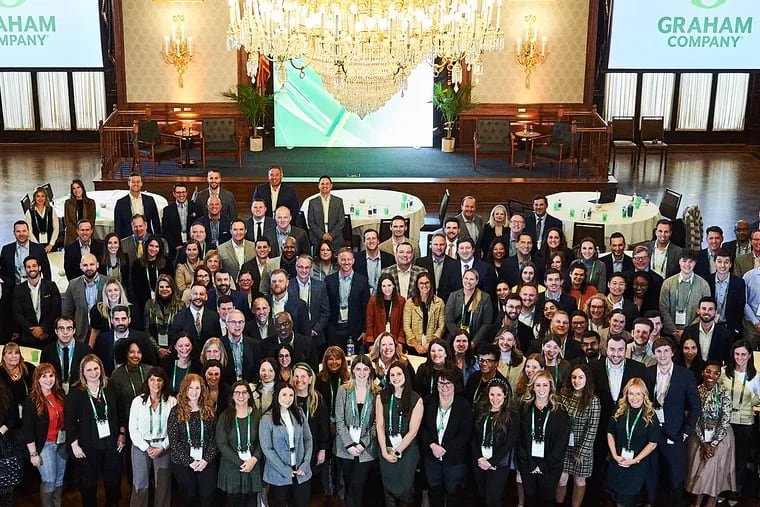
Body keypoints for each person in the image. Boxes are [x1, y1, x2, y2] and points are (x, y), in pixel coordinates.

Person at [644, 337, 702, 507]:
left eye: (666, 351)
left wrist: (686, 432)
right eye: (659, 351)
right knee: (652, 472)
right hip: (651, 432)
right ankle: (652, 502)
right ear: (654, 353)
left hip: (675, 433)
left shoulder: (685, 375)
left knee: (675, 474)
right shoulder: (647, 373)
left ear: (672, 352)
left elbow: (695, 407)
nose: (662, 355)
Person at [64, 354, 126, 507]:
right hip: (87, 445)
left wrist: (122, 434)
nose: (93, 373)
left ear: (101, 369)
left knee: (112, 479)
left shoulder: (110, 387)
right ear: (83, 372)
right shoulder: (76, 393)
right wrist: (74, 444)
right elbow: (69, 421)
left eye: (96, 368)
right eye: (89, 370)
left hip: (111, 443)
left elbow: (121, 412)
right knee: (88, 482)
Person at [417, 368, 472, 507]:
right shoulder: (429, 401)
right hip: (432, 457)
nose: (444, 387)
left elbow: (465, 434)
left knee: (454, 494)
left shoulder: (463, 405)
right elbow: (421, 428)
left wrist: (444, 448)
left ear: (455, 385)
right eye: (440, 383)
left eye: (448, 383)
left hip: (454, 459)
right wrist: (432, 445)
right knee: (435, 493)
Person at [516, 370, 571, 506]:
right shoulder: (524, 409)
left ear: (551, 387)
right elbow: (519, 439)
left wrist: (544, 465)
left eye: (545, 385)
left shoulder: (560, 412)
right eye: (538, 385)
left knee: (547, 499)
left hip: (551, 466)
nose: (541, 389)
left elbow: (561, 443)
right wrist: (531, 463)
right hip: (527, 464)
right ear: (532, 387)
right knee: (530, 497)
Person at [685, 361, 735, 507]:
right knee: (700, 473)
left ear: (719, 375)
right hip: (700, 435)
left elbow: (725, 419)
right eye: (708, 371)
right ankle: (696, 503)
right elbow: (694, 417)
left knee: (714, 473)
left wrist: (712, 444)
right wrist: (704, 443)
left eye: (715, 373)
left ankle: (711, 504)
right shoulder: (696, 390)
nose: (711, 375)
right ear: (702, 372)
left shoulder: (724, 392)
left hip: (720, 437)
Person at [375, 360, 424, 507]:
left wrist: (397, 452)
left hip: (406, 450)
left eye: (399, 374)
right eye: (392, 375)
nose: (395, 377)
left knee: (405, 488)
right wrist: (384, 451)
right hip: (386, 448)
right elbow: (380, 425)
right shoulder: (381, 397)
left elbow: (413, 431)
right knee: (388, 487)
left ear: (406, 376)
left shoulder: (416, 399)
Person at [606, 378, 660, 507]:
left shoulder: (651, 415)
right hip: (618, 461)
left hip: (637, 465)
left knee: (625, 500)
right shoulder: (619, 410)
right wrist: (614, 455)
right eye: (631, 393)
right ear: (626, 394)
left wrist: (634, 460)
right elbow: (610, 433)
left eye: (638, 394)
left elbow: (652, 443)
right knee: (617, 498)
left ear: (644, 395)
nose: (634, 398)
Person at [128, 366, 177, 507]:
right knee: (140, 484)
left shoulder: (172, 402)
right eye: (152, 379)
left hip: (164, 447)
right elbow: (133, 429)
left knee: (162, 485)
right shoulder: (137, 402)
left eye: (159, 380)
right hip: (141, 447)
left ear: (164, 382)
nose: (156, 383)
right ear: (147, 382)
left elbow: (174, 429)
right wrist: (147, 447)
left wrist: (162, 447)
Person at [167, 373, 219, 507]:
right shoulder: (176, 411)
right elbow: (174, 441)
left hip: (206, 461)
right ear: (185, 389)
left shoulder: (209, 409)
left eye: (197, 388)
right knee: (189, 496)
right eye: (190, 388)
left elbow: (215, 438)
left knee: (207, 496)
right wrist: (190, 461)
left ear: (202, 390)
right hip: (183, 462)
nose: (194, 392)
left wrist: (206, 460)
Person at [334, 355, 379, 507]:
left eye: (365, 369)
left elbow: (377, 423)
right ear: (352, 370)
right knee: (348, 485)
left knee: (358, 485)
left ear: (370, 371)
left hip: (365, 449)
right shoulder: (343, 390)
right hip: (345, 447)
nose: (361, 373)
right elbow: (339, 421)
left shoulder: (377, 392)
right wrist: (349, 445)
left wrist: (362, 444)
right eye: (358, 369)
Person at [259, 382, 313, 507]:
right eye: (284, 395)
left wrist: (305, 463)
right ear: (277, 395)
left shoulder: (298, 412)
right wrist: (284, 469)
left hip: (300, 471)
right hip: (278, 473)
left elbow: (308, 438)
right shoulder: (267, 418)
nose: (287, 399)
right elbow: (267, 449)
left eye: (291, 395)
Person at [719, 340, 760, 503]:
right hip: (726, 421)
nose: (740, 357)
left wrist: (750, 401)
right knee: (723, 457)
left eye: (744, 354)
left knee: (740, 458)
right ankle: (721, 489)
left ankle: (735, 492)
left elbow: (759, 398)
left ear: (750, 355)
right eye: (737, 354)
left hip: (745, 421)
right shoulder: (724, 373)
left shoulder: (755, 377)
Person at [22, 363, 67, 507]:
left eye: (51, 375)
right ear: (37, 379)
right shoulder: (31, 401)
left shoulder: (60, 395)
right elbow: (28, 431)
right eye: (44, 376)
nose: (48, 379)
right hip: (44, 446)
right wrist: (33, 454)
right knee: (49, 480)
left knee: (59, 480)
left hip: (61, 444)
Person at [556, 364, 600, 507]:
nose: (577, 380)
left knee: (579, 481)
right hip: (564, 446)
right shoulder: (563, 395)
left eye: (581, 377)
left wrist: (581, 453)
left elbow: (592, 429)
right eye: (574, 377)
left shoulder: (593, 400)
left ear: (587, 379)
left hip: (582, 448)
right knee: (561, 479)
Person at [471, 378, 518, 507]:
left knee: (493, 499)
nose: (495, 399)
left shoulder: (512, 415)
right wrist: (480, 458)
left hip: (498, 464)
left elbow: (509, 443)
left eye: (499, 395)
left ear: (505, 395)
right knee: (481, 496)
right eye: (492, 394)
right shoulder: (480, 411)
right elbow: (473, 437)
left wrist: (491, 462)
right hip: (480, 462)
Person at [216, 380, 263, 507]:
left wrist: (253, 460)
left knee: (251, 502)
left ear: (249, 395)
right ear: (232, 396)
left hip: (252, 467)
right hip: (231, 468)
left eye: (244, 392)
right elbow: (221, 443)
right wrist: (241, 462)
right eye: (237, 393)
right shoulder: (224, 416)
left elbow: (262, 441)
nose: (240, 396)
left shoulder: (257, 415)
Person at [315, 346, 350, 504]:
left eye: (337, 358)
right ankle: (328, 493)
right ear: (325, 361)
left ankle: (342, 495)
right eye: (330, 358)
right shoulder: (319, 379)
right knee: (327, 461)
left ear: (343, 361)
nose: (334, 362)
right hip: (325, 425)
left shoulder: (348, 380)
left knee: (341, 461)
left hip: (344, 426)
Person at [12, 255, 62, 348]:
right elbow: (17, 314)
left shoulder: (51, 286)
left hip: (48, 336)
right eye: (28, 267)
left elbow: (56, 310)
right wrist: (32, 330)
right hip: (28, 338)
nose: (32, 269)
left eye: (34, 266)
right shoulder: (19, 289)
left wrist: (43, 329)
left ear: (39, 267)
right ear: (25, 270)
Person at [444, 268, 493, 347]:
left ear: (477, 281)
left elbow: (486, 323)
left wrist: (474, 342)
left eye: (472, 279)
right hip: (456, 339)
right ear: (462, 279)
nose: (468, 282)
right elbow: (448, 320)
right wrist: (459, 338)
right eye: (466, 278)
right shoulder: (454, 296)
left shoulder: (485, 298)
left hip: (476, 340)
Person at [403, 272, 446, 356]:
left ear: (431, 284)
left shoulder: (439, 302)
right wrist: (416, 345)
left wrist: (430, 343)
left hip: (432, 345)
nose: (424, 286)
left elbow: (441, 326)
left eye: (427, 283)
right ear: (417, 285)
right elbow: (406, 326)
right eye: (421, 283)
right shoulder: (410, 303)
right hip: (413, 346)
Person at [110, 338, 153, 423]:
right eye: (131, 352)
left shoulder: (150, 371)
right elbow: (116, 404)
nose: (135, 355)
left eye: (139, 352)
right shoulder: (117, 375)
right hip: (128, 420)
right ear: (125, 353)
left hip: (149, 418)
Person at [144, 274, 184, 352]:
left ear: (172, 288)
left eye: (167, 286)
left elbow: (181, 331)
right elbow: (147, 330)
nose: (164, 289)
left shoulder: (180, 305)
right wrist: (158, 349)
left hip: (175, 349)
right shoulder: (149, 304)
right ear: (157, 289)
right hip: (154, 349)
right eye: (161, 287)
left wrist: (171, 348)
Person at [161, 182, 204, 254]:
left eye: (183, 192)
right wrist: (175, 245)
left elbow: (201, 226)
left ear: (186, 193)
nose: (181, 195)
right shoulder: (168, 210)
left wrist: (194, 243)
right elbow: (165, 231)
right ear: (174, 194)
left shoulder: (196, 207)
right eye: (178, 192)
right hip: (175, 248)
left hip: (194, 246)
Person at [366, 273, 407, 349]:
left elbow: (403, 323)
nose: (387, 289)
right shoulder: (373, 301)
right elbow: (369, 322)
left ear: (394, 286)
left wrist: (400, 342)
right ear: (380, 287)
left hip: (395, 341)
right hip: (377, 340)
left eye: (389, 285)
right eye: (383, 286)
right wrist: (371, 343)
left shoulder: (401, 301)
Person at [307, 175, 345, 253]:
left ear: (331, 186)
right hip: (317, 238)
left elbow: (341, 221)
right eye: (322, 184)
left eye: (327, 184)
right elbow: (311, 222)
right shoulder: (312, 202)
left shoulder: (338, 201)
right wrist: (322, 235)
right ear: (319, 186)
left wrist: (331, 235)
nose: (325, 186)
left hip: (335, 238)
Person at [88, 277, 130, 348]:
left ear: (120, 292)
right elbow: (94, 332)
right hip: (105, 346)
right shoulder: (98, 310)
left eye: (116, 290)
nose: (113, 293)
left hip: (126, 346)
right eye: (110, 291)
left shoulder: (130, 309)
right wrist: (89, 350)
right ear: (106, 293)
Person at [24, 187, 60, 253]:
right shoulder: (29, 212)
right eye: (38, 196)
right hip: (35, 246)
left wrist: (51, 244)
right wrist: (38, 246)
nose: (40, 199)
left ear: (46, 197)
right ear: (34, 197)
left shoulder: (51, 210)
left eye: (42, 196)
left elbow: (56, 228)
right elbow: (29, 231)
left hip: (51, 246)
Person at [63, 179, 96, 245]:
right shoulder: (68, 203)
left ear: (82, 188)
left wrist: (84, 234)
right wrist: (78, 235)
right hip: (72, 237)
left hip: (86, 236)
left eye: (78, 187)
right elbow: (67, 222)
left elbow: (92, 221)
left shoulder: (90, 203)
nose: (76, 190)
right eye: (74, 188)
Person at [495, 326, 526, 392]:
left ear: (514, 342)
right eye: (502, 339)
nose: (505, 342)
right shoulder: (491, 357)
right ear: (498, 340)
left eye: (509, 340)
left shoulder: (523, 361)